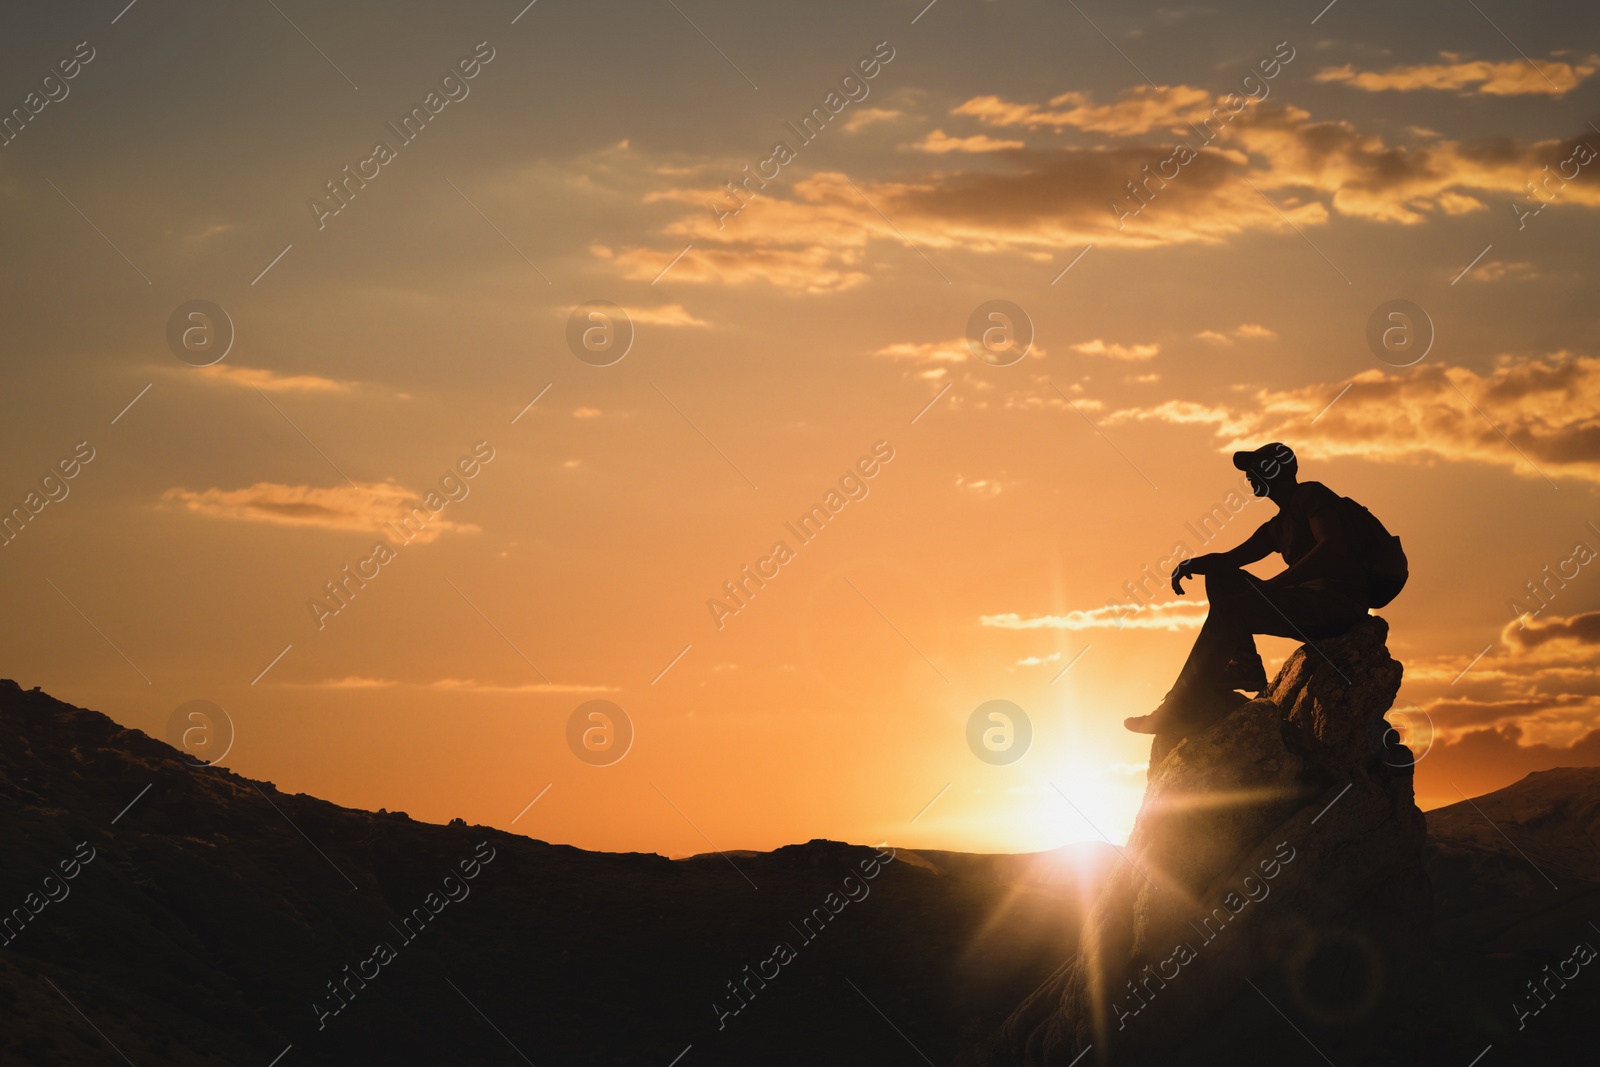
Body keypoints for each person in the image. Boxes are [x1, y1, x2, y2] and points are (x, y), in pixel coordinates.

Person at [1123, 442, 1406, 737]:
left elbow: (1331, 544)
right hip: (1309, 606)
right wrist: (1191, 564)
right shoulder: (1277, 526)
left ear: (1276, 470)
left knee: (1230, 609)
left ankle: (1178, 710)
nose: (1249, 476)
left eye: (1256, 468)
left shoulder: (1310, 494)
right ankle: (1245, 667)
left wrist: (1275, 585)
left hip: (1337, 606)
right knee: (1222, 576)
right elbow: (1230, 560)